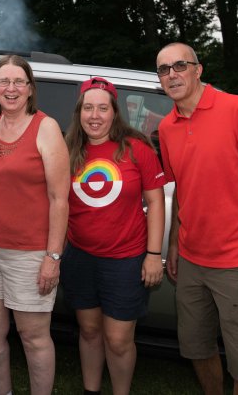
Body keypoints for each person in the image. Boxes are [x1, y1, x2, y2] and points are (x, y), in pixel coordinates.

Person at [156, 42, 238, 395]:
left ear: (198, 70)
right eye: (164, 70)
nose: (172, 74)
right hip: (192, 261)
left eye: (179, 65)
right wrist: (174, 243)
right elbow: (184, 186)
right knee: (197, 349)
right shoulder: (167, 127)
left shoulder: (235, 108)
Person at [0, 54, 70, 395]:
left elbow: (59, 199)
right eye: (3, 81)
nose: (11, 88)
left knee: (33, 336)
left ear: (30, 88)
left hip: (29, 253)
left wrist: (52, 258)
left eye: (18, 82)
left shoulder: (46, 127)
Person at [62, 77, 166, 395]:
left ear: (114, 112)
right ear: (79, 111)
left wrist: (153, 254)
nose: (95, 115)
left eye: (102, 108)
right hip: (80, 256)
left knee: (119, 340)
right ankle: (91, 390)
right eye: (88, 107)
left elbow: (156, 202)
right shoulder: (68, 150)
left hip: (126, 259)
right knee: (90, 331)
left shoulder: (137, 149)